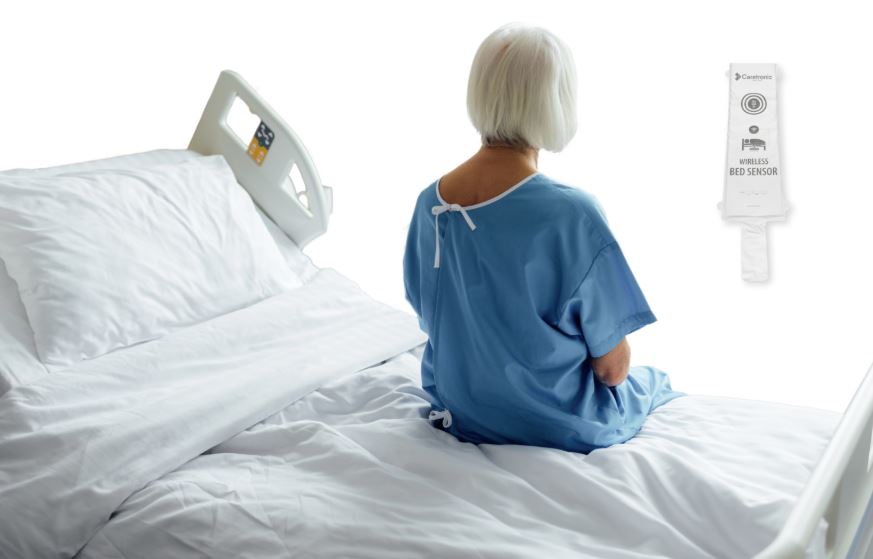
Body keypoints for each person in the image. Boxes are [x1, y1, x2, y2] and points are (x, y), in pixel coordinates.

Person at [403, 23, 682, 453]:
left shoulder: (430, 204)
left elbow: (430, 316)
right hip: (556, 425)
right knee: (655, 382)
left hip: (466, 415)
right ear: (556, 99)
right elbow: (612, 370)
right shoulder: (571, 214)